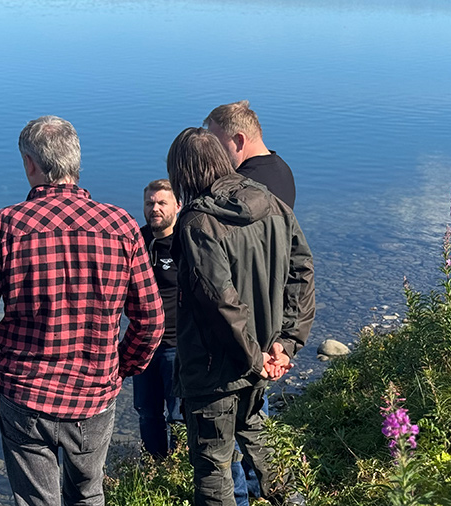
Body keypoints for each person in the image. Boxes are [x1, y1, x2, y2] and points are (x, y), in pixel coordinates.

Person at [0, 115, 165, 506]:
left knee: (37, 501)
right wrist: (121, 366)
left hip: (25, 393)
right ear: (75, 161)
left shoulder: (4, 227)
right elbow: (150, 320)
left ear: (30, 163)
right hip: (94, 394)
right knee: (88, 493)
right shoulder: (121, 226)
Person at [166, 127, 315, 506]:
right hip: (260, 356)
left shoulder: (197, 223)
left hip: (214, 370)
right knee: (261, 441)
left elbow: (219, 301)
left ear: (182, 172)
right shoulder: (272, 204)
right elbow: (301, 271)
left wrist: (255, 356)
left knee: (213, 469)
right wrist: (285, 343)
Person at [206, 100, 299, 505]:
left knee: (236, 427)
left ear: (238, 140)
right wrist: (287, 337)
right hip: (267, 321)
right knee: (256, 421)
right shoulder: (281, 170)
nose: (212, 154)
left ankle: (247, 495)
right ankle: (272, 491)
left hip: (245, 328)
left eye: (216, 143)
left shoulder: (246, 188)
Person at [134, 179, 183, 459]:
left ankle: (179, 469)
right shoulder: (137, 241)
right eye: (150, 203)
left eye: (162, 203)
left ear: (178, 206)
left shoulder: (186, 242)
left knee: (178, 415)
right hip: (143, 344)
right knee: (146, 412)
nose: (155, 209)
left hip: (176, 345)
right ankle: (154, 468)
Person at [204, 100, 296, 210]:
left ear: (239, 140)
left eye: (217, 144)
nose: (214, 151)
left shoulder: (240, 186)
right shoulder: (283, 169)